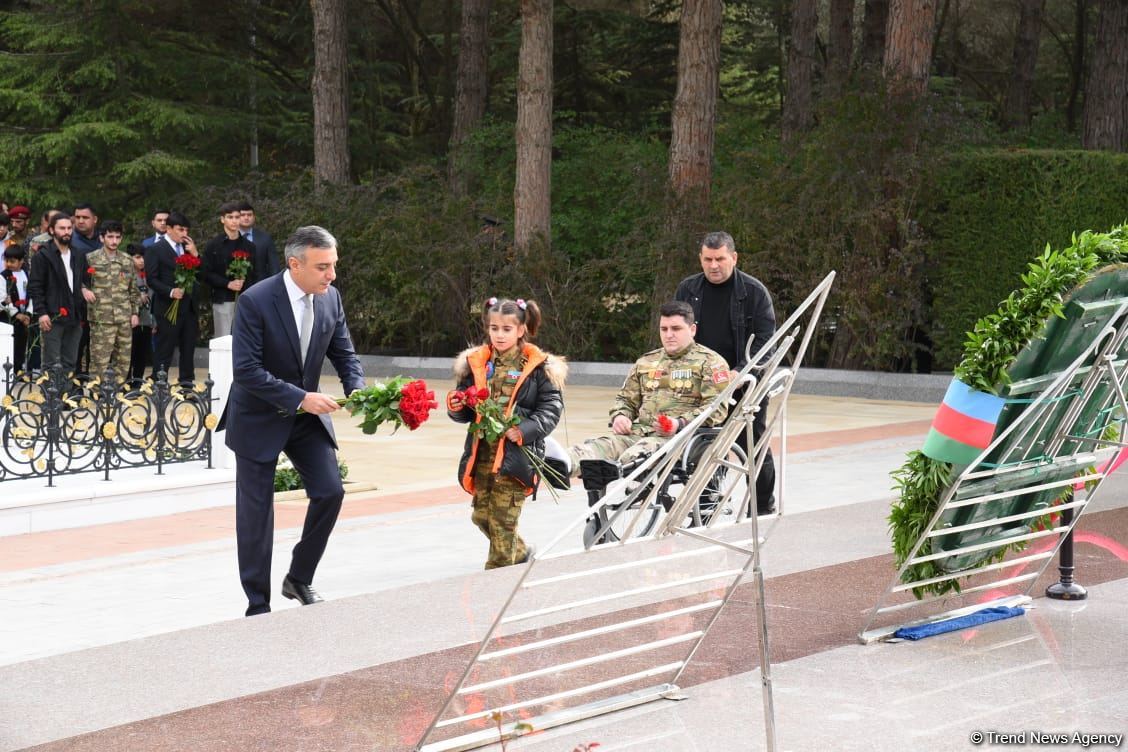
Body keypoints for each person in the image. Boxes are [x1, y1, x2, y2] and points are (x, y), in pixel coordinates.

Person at [220, 225, 364, 617]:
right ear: (294, 264)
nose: (331, 275)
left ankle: (299, 578)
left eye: (333, 265)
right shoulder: (255, 300)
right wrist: (302, 398)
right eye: (323, 267)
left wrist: (359, 390)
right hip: (257, 416)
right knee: (256, 516)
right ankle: (257, 604)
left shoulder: (330, 298)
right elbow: (246, 370)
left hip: (305, 419)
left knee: (330, 492)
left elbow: (346, 355)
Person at [446, 297, 565, 569]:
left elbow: (551, 409)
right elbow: (466, 407)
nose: (499, 335)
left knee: (502, 522)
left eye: (506, 329)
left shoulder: (537, 367)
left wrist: (522, 430)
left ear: (521, 330)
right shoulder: (476, 362)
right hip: (483, 454)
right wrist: (457, 406)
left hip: (515, 456)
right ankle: (520, 553)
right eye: (494, 328)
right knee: (481, 516)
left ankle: (497, 582)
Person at [557, 301, 731, 476]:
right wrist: (620, 416)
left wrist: (679, 424)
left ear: (692, 329)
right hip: (637, 433)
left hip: (681, 439)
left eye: (676, 329)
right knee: (594, 450)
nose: (669, 335)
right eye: (664, 329)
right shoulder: (646, 362)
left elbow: (716, 408)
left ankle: (610, 474)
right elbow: (625, 400)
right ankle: (558, 466)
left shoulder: (711, 362)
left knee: (631, 457)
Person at [675, 231, 777, 515]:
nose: (713, 265)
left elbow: (766, 342)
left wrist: (740, 373)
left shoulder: (754, 293)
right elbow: (676, 331)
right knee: (702, 445)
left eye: (720, 258)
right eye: (707, 259)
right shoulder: (687, 290)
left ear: (734, 257)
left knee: (752, 446)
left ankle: (762, 507)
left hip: (746, 386)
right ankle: (707, 504)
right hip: (703, 386)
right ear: (700, 259)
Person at [27, 214, 89, 376]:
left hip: (74, 315)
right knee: (52, 363)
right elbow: (35, 286)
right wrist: (42, 313)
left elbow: (83, 281)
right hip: (52, 315)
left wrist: (83, 290)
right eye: (62, 228)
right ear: (52, 230)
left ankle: (66, 400)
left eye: (69, 228)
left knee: (70, 362)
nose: (66, 232)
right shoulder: (43, 256)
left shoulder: (78, 255)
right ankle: (51, 400)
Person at [144, 211, 200, 384]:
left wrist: (195, 255)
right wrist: (170, 291)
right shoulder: (155, 249)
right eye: (180, 229)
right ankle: (159, 382)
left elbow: (200, 273)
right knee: (165, 347)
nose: (184, 234)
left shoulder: (187, 248)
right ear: (169, 229)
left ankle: (186, 383)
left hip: (188, 306)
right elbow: (152, 279)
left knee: (188, 346)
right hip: (167, 305)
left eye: (186, 230)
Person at [83, 221, 140, 380]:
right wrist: (84, 290)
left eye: (117, 237)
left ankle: (117, 394)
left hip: (124, 318)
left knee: (123, 360)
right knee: (99, 360)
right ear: (102, 238)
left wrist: (135, 313)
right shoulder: (91, 259)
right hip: (101, 318)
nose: (114, 241)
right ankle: (97, 394)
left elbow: (133, 289)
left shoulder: (127, 260)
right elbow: (81, 283)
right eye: (110, 237)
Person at [202, 201, 260, 337]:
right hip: (223, 299)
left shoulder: (249, 246)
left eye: (237, 217)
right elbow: (206, 274)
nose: (234, 221)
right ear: (222, 219)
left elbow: (255, 274)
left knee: (245, 339)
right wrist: (228, 284)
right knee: (223, 341)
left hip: (245, 299)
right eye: (230, 217)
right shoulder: (213, 245)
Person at [1, 245, 33, 373]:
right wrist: (17, 314)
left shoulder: (26, 274)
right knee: (8, 346)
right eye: (6, 261)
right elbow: (2, 299)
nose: (9, 264)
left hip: (24, 317)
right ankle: (7, 373)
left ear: (21, 261)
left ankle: (19, 371)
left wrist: (28, 313)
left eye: (12, 261)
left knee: (21, 345)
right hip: (8, 317)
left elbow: (32, 295)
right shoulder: (3, 276)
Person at [128, 244, 154, 384]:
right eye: (138, 257)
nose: (142, 260)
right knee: (129, 354)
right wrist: (139, 299)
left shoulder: (149, 275)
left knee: (142, 354)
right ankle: (126, 383)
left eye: (143, 257)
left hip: (147, 320)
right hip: (131, 320)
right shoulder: (126, 275)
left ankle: (137, 382)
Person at [237, 202, 280, 276]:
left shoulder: (265, 238)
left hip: (260, 284)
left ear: (254, 217)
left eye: (249, 215)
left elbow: (274, 266)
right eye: (243, 215)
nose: (246, 217)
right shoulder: (227, 238)